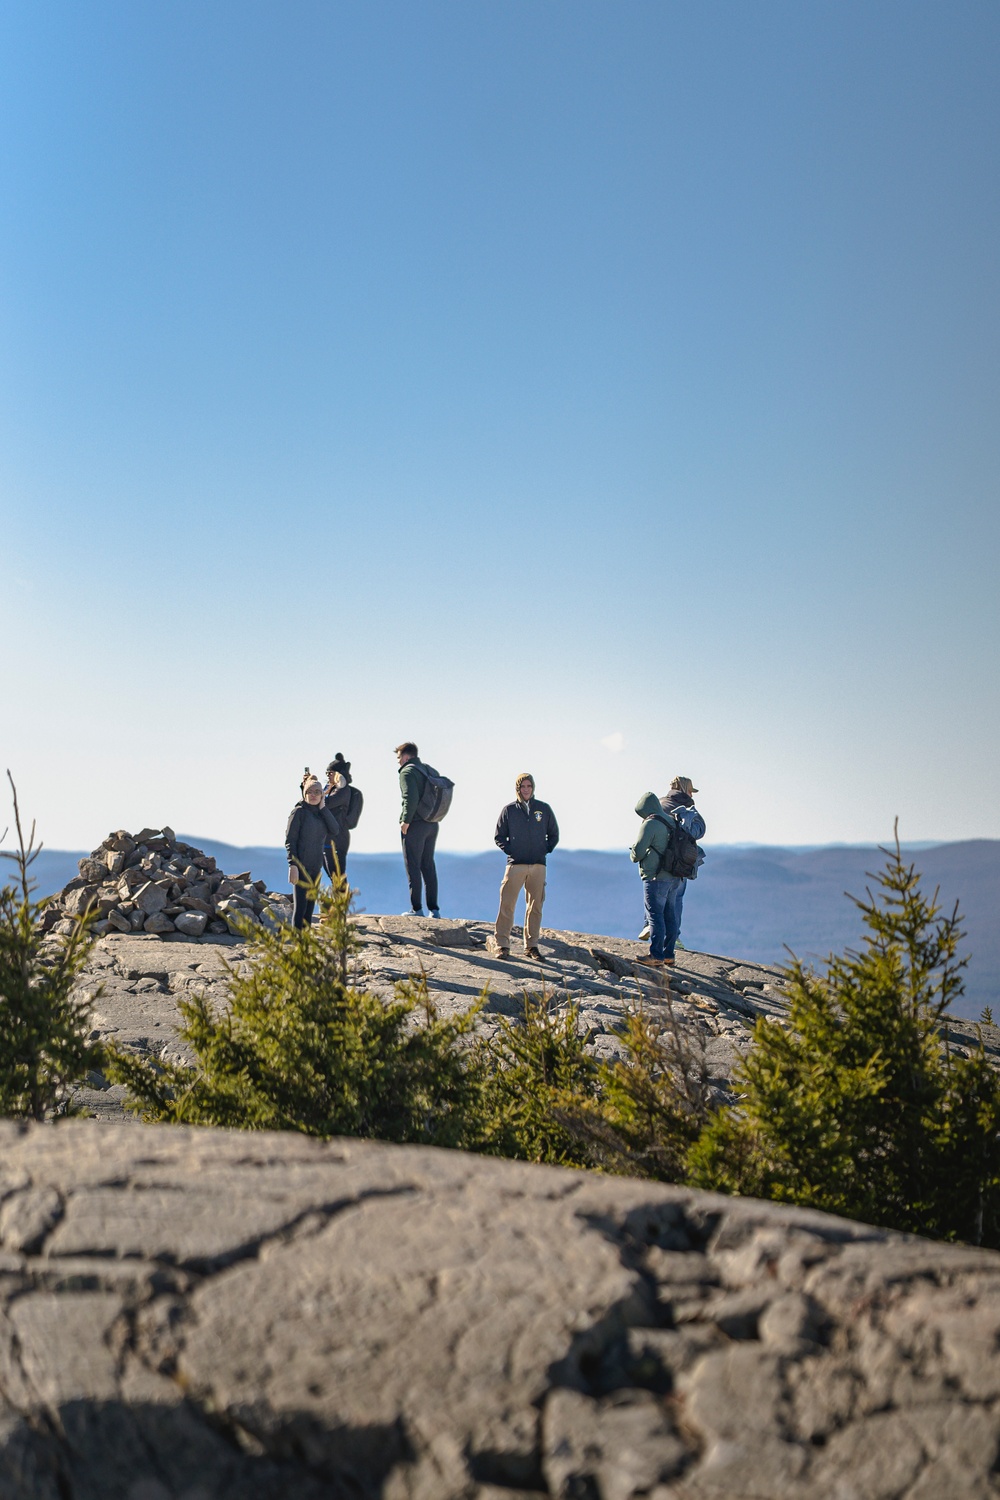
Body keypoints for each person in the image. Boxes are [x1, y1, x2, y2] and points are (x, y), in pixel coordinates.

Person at [493, 773, 559, 960]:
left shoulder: (543, 809)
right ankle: (502, 945)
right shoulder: (509, 810)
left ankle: (531, 946)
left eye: (529, 786)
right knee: (507, 904)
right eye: (523, 786)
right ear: (518, 789)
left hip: (538, 865)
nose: (526, 789)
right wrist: (512, 851)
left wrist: (544, 850)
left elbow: (554, 834)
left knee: (535, 906)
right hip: (516, 865)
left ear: (533, 787)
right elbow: (499, 836)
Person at [638, 775, 705, 943]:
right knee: (676, 899)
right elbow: (699, 831)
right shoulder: (686, 808)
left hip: (655, 859)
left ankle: (649, 925)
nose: (692, 795)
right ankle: (674, 939)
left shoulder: (658, 804)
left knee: (653, 898)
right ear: (686, 790)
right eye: (691, 791)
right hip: (678, 861)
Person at [630, 791, 683, 968]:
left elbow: (637, 852)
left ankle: (656, 955)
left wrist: (633, 854)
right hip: (674, 876)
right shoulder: (671, 820)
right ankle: (669, 955)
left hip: (656, 876)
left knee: (655, 916)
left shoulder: (651, 823)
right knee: (670, 915)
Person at [285, 773, 341, 929]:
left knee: (309, 910)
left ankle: (306, 945)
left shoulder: (321, 814)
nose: (313, 795)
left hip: (315, 867)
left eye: (317, 792)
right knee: (300, 909)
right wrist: (292, 865)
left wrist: (323, 808)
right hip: (301, 867)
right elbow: (290, 840)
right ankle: (298, 944)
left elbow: (335, 830)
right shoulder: (299, 812)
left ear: (322, 795)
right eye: (310, 792)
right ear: (305, 794)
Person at [396, 742, 440, 917]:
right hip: (432, 823)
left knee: (412, 865)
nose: (398, 762)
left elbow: (410, 797)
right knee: (428, 865)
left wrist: (405, 821)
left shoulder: (408, 772)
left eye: (399, 758)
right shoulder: (428, 770)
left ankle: (417, 909)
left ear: (406, 757)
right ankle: (434, 910)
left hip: (415, 824)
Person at [323, 753, 363, 877]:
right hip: (328, 837)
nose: (327, 776)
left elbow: (327, 803)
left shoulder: (343, 790)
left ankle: (343, 897)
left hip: (337, 838)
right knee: (332, 874)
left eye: (330, 773)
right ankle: (340, 896)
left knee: (337, 875)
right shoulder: (329, 789)